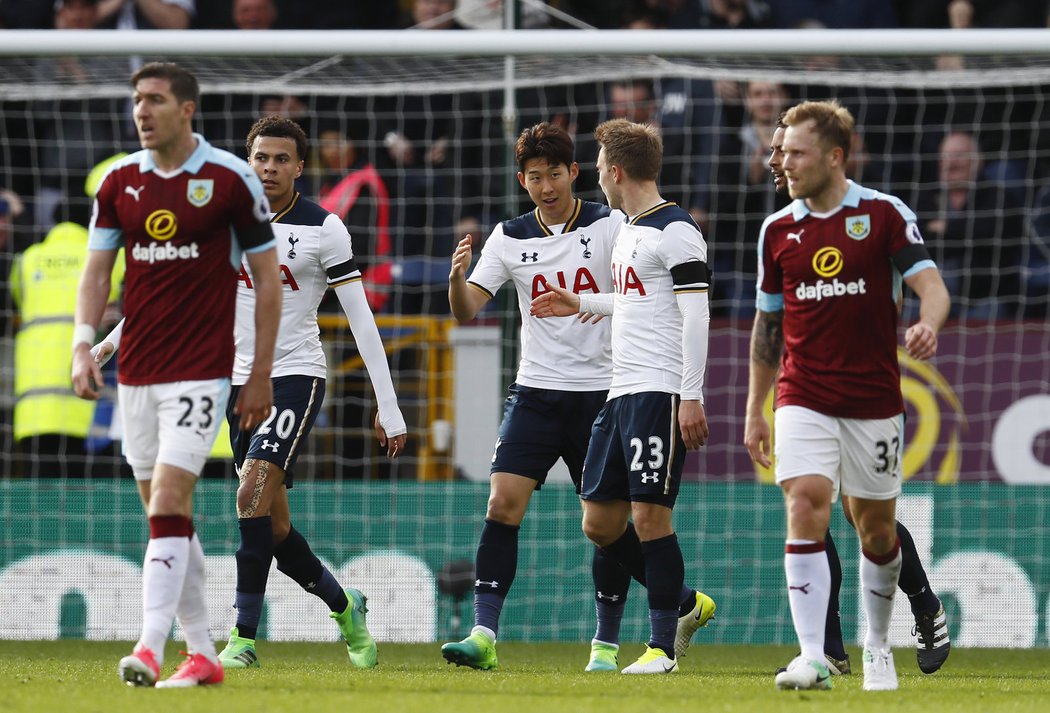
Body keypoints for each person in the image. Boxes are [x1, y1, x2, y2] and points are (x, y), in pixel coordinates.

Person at [93, 114, 409, 668]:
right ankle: (344, 604)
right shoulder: (224, 219)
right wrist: (111, 342)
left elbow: (360, 320)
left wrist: (388, 405)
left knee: (249, 495)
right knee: (273, 523)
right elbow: (171, 290)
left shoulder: (323, 228)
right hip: (229, 381)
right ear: (248, 160)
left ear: (300, 167)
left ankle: (241, 640)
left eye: (281, 159)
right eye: (261, 158)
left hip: (293, 375)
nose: (269, 168)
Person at [442, 122, 715, 673]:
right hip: (538, 390)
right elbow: (467, 308)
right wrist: (456, 280)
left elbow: (653, 295)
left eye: (557, 174)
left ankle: (607, 645)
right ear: (522, 180)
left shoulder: (617, 223)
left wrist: (690, 392)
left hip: (608, 386)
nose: (547, 186)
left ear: (576, 173)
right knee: (504, 503)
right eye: (535, 177)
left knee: (618, 520)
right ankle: (483, 634)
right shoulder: (509, 237)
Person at [70, 61, 281, 688]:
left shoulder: (230, 179)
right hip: (137, 371)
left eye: (155, 100)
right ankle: (203, 653)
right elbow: (96, 272)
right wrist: (85, 345)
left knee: (168, 500)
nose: (142, 111)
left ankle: (148, 646)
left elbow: (267, 282)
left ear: (186, 109)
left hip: (202, 370)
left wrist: (260, 373)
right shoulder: (118, 183)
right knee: (167, 517)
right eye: (137, 100)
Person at [745, 100, 950, 691]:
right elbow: (767, 326)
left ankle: (878, 644)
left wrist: (928, 323)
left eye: (796, 152)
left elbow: (931, 288)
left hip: (873, 400)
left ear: (835, 157)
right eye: (781, 152)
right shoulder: (777, 229)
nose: (783, 162)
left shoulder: (883, 215)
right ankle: (814, 655)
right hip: (801, 392)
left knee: (875, 531)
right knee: (806, 499)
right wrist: (756, 408)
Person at [530, 118, 714, 675]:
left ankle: (661, 648)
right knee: (600, 523)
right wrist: (581, 300)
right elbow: (635, 302)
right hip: (619, 392)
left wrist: (691, 395)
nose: (599, 183)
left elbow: (696, 313)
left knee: (651, 517)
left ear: (614, 171)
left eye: (600, 166)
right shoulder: (630, 229)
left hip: (658, 390)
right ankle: (685, 602)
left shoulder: (677, 230)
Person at [10, 197, 124, 478]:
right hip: (84, 401)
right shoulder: (105, 255)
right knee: (79, 501)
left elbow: (17, 300)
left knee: (37, 502)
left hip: (32, 406)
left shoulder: (27, 259)